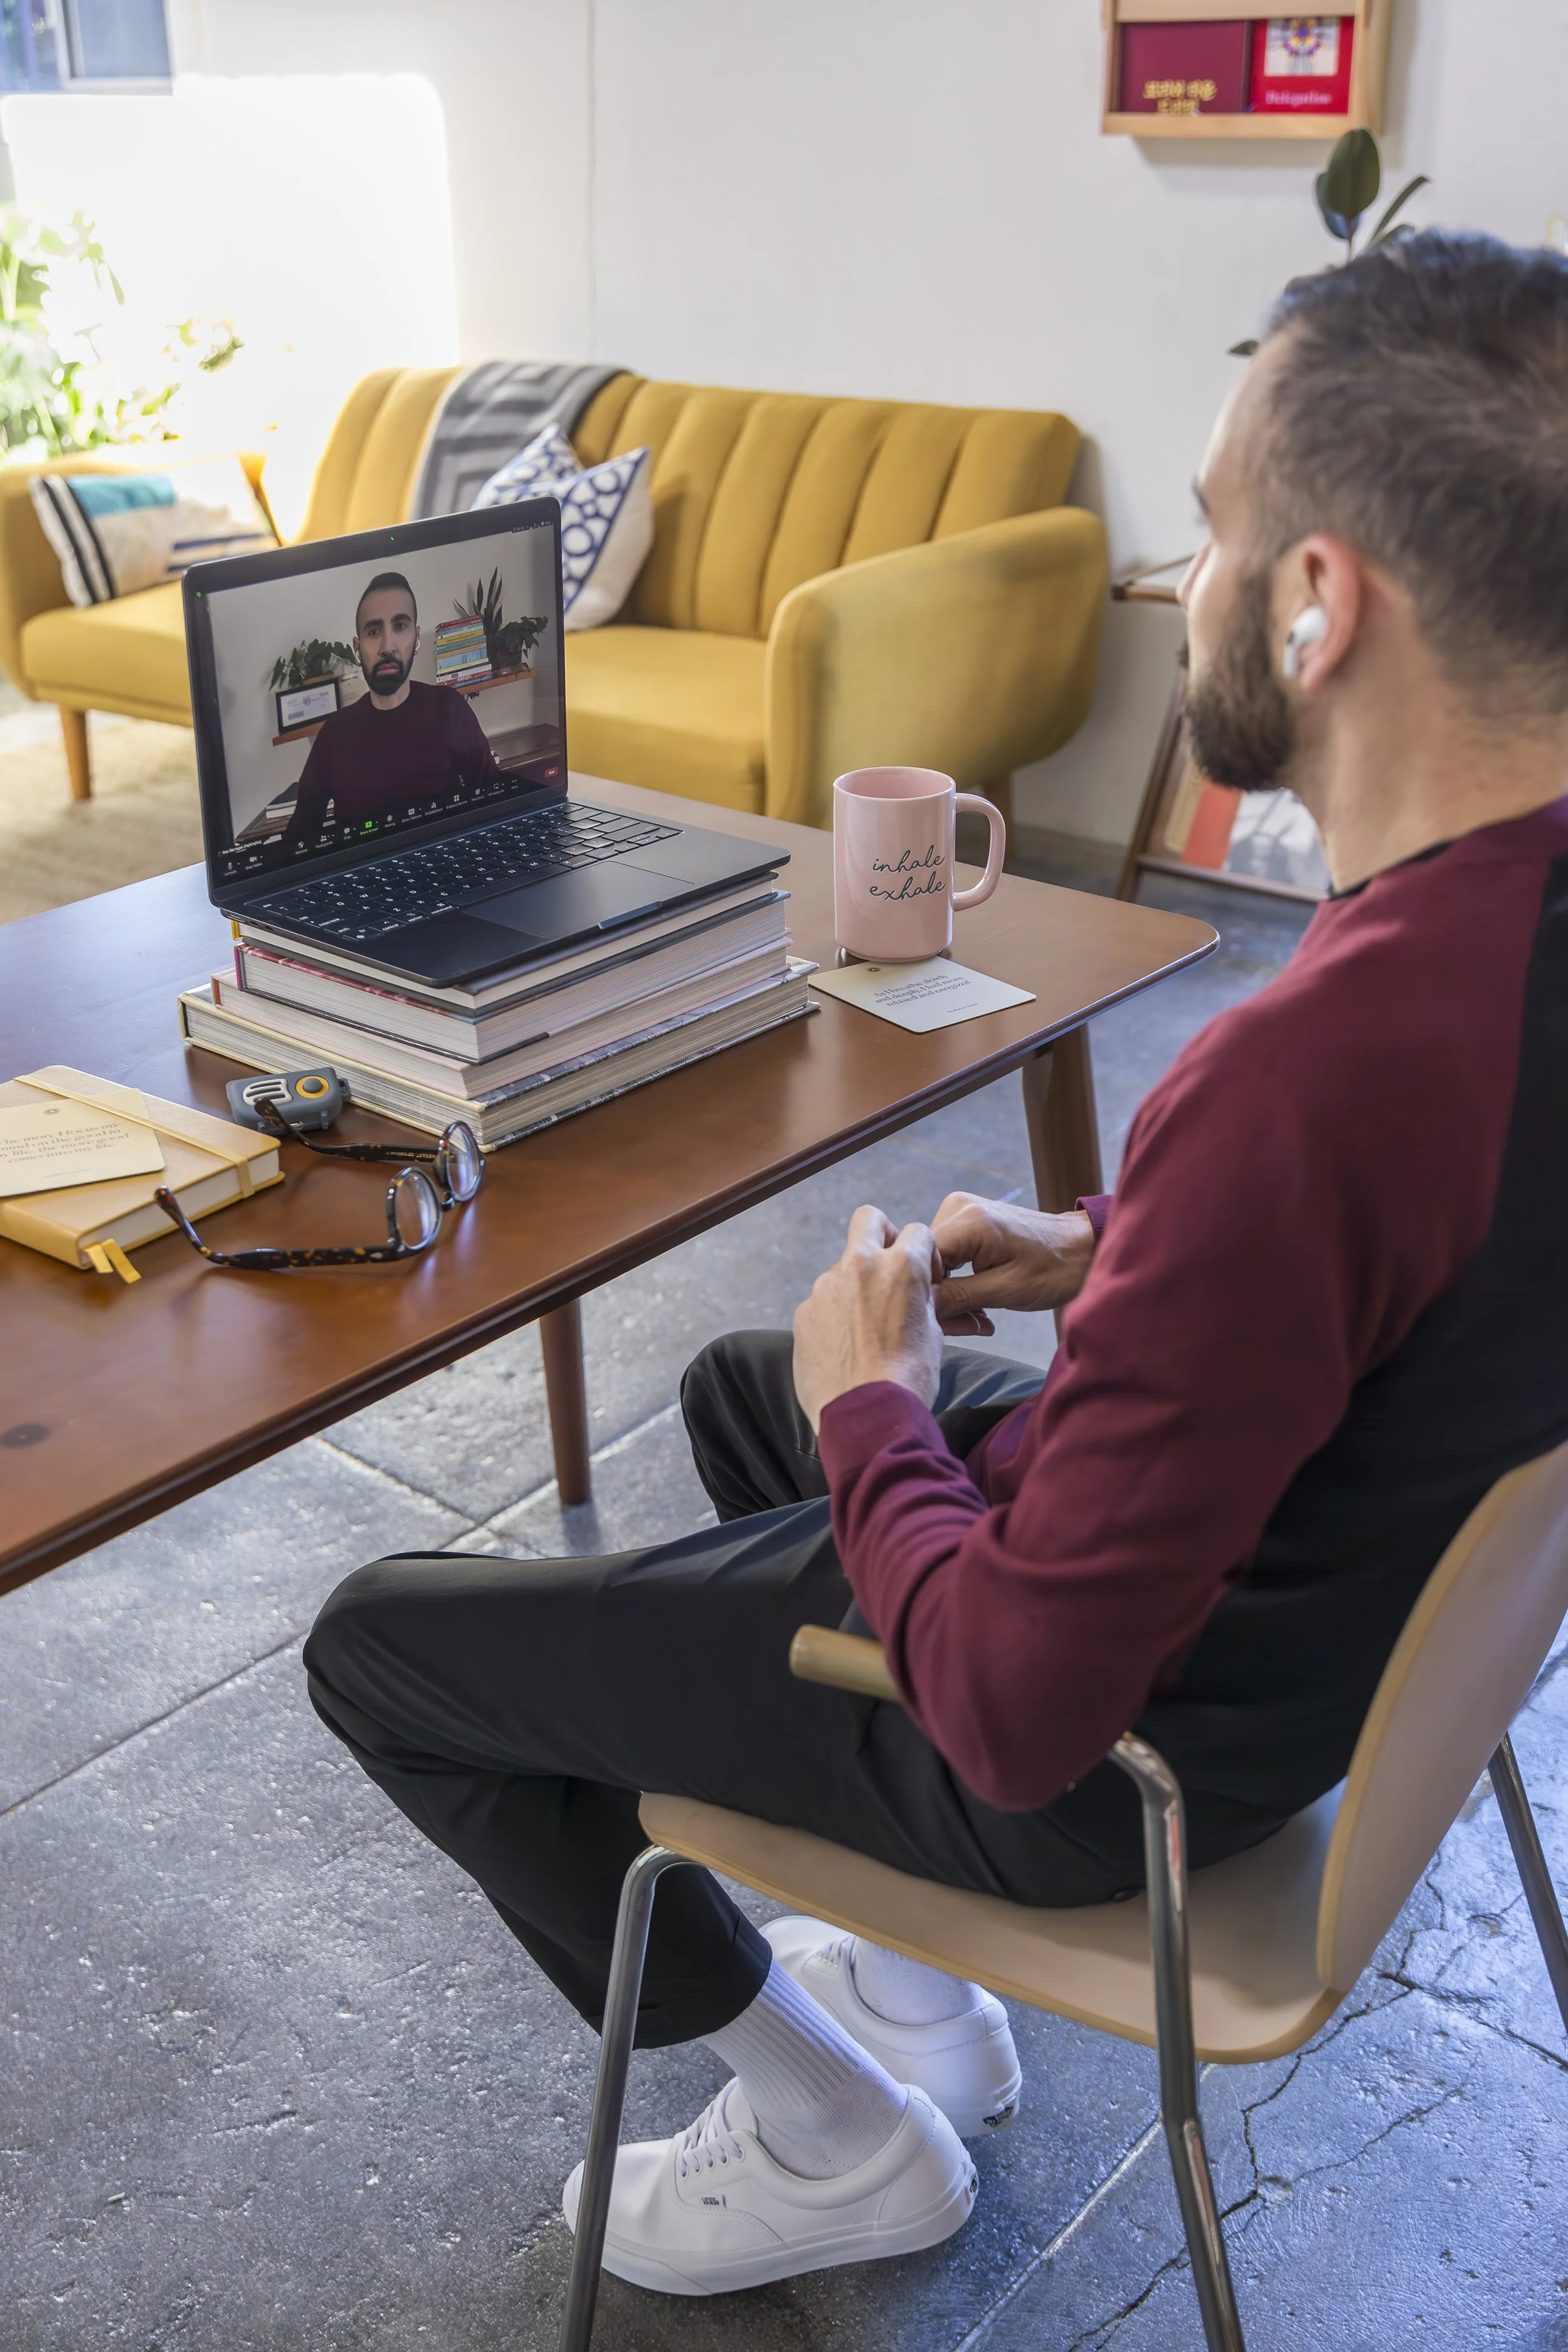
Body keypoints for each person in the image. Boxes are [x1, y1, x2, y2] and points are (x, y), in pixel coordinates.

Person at [304, 230, 1568, 2299]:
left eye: (1221, 532)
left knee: (384, 1643)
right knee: (738, 1386)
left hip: (1129, 1762)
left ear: (1324, 604)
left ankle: (829, 2136)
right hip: (1314, 1622)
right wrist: (1116, 1256)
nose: (1193, 586)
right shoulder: (1489, 957)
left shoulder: (1305, 1076)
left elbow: (1011, 1709)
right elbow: (1435, 1265)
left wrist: (879, 1406)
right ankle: (917, 2011)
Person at [278, 571, 497, 854]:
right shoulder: (335, 735)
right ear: (358, 648)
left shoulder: (448, 708)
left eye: (400, 626)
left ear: (417, 638)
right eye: (374, 632)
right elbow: (299, 838)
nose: (387, 647)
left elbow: (495, 797)